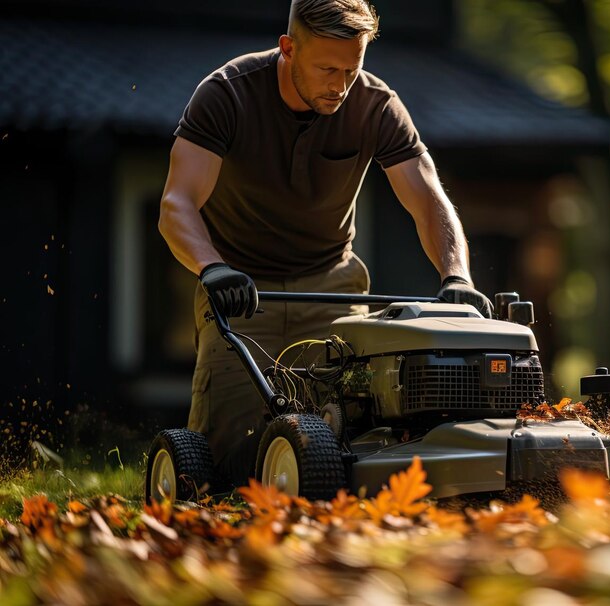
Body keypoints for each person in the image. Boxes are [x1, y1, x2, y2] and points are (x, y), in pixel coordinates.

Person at [157, 0, 493, 487]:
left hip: (332, 287)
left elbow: (428, 200)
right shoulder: (227, 94)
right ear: (288, 49)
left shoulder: (375, 104)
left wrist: (456, 276)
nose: (339, 84)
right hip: (241, 291)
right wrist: (212, 268)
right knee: (229, 459)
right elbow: (177, 204)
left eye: (351, 70)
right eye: (327, 69)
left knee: (359, 433)